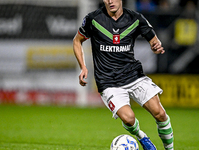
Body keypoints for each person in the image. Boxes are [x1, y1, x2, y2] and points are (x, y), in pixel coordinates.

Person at [73, 0, 174, 149]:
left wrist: (155, 46)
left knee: (160, 113)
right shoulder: (93, 19)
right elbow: (77, 41)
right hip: (108, 82)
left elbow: (154, 40)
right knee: (128, 118)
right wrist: (83, 67)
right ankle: (143, 138)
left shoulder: (135, 19)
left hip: (133, 76)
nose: (110, 1)